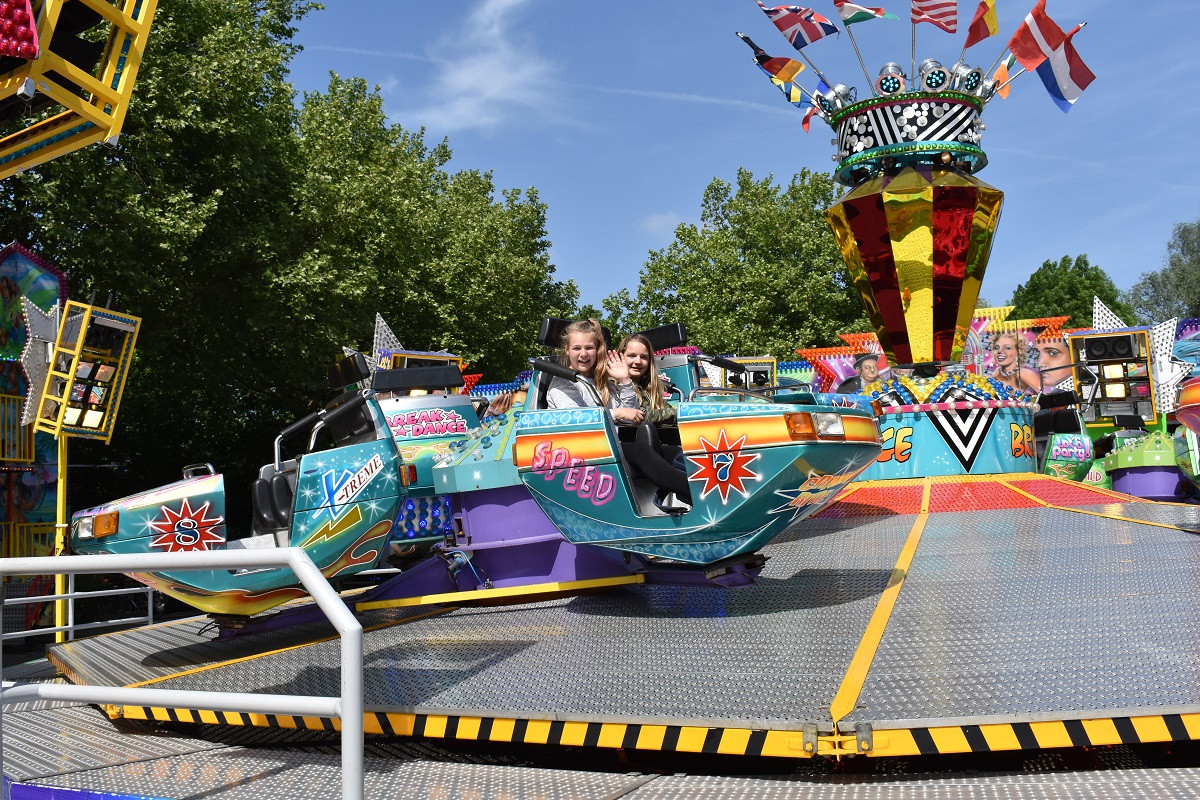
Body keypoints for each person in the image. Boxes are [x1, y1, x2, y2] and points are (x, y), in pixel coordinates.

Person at [545, 318, 643, 424]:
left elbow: (630, 418)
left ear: (597, 350)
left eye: (589, 348)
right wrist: (616, 413)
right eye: (576, 348)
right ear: (567, 350)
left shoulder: (605, 383)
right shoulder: (563, 382)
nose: (583, 354)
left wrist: (624, 381)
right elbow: (575, 419)